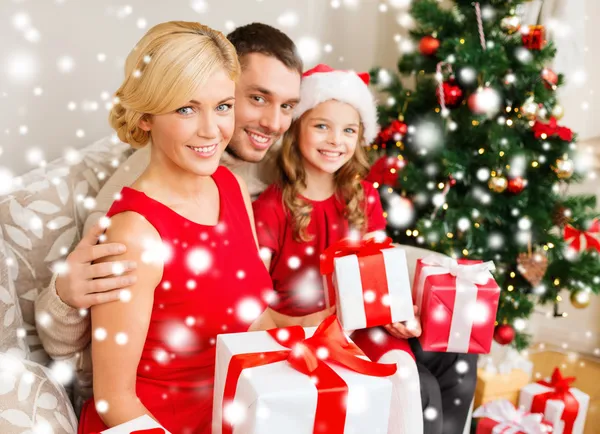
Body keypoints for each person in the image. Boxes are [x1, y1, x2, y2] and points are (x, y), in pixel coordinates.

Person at [34, 21, 302, 414]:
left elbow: (253, 317)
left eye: (223, 106)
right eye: (186, 108)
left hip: (240, 411)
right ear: (146, 117)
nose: (212, 130)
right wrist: (62, 297)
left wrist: (327, 323)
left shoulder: (230, 185)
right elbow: (114, 400)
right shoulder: (132, 235)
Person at [252, 64, 477, 434]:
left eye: (349, 130)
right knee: (409, 380)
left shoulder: (363, 196)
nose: (335, 140)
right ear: (297, 129)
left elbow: (381, 275)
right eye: (321, 125)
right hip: (310, 331)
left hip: (363, 323)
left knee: (457, 356)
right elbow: (254, 299)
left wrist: (402, 314)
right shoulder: (272, 208)